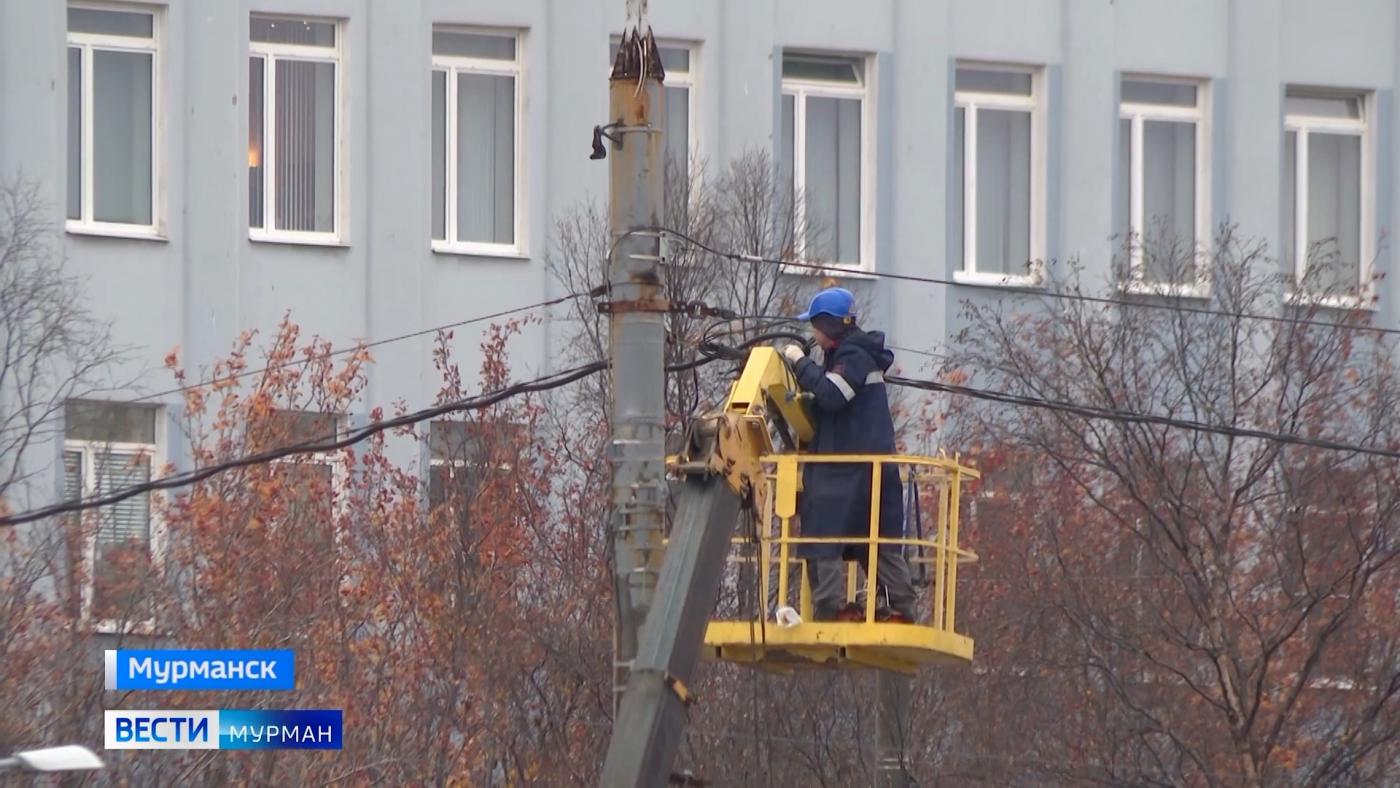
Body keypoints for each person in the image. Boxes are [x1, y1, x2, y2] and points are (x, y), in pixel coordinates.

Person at [780, 286, 917, 623]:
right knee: (875, 539)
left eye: (814, 326)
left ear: (827, 325)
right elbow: (829, 403)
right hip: (864, 469)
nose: (812, 333)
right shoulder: (850, 356)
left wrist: (798, 362)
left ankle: (835, 608)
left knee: (825, 533)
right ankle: (896, 606)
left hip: (846, 470)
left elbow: (831, 396)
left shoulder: (853, 357)